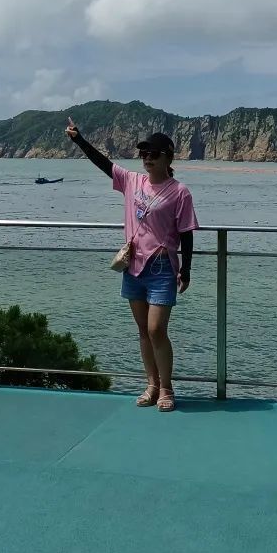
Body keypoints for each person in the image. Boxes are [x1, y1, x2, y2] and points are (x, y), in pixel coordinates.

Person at [66, 117, 198, 412]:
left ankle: (166, 388)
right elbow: (103, 163)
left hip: (161, 267)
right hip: (133, 266)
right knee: (142, 330)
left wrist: (186, 269)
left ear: (168, 157)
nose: (147, 158)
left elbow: (187, 232)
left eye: (154, 154)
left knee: (156, 330)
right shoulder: (132, 181)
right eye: (144, 153)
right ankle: (151, 385)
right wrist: (79, 139)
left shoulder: (180, 192)